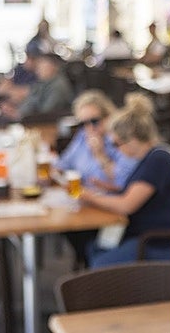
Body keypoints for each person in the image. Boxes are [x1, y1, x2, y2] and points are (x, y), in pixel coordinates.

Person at [80, 92, 170, 268]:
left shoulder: (158, 160)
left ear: (131, 139)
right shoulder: (153, 156)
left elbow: (127, 204)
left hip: (158, 242)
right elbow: (136, 192)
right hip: (147, 236)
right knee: (93, 248)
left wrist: (88, 197)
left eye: (116, 144)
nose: (116, 150)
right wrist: (108, 188)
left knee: (99, 262)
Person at [54, 89, 140, 267]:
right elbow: (63, 164)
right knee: (65, 227)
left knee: (89, 242)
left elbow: (123, 181)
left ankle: (91, 269)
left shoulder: (119, 140)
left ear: (108, 116)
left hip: (109, 208)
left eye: (94, 121)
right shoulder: (82, 138)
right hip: (84, 204)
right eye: (83, 123)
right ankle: (85, 265)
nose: (89, 128)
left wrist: (101, 155)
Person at [0, 39, 75, 120]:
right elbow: (30, 102)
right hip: (27, 119)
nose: (38, 69)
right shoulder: (42, 83)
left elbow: (46, 113)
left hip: (44, 124)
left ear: (52, 66)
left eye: (41, 64)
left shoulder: (58, 86)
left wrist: (18, 115)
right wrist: (15, 110)